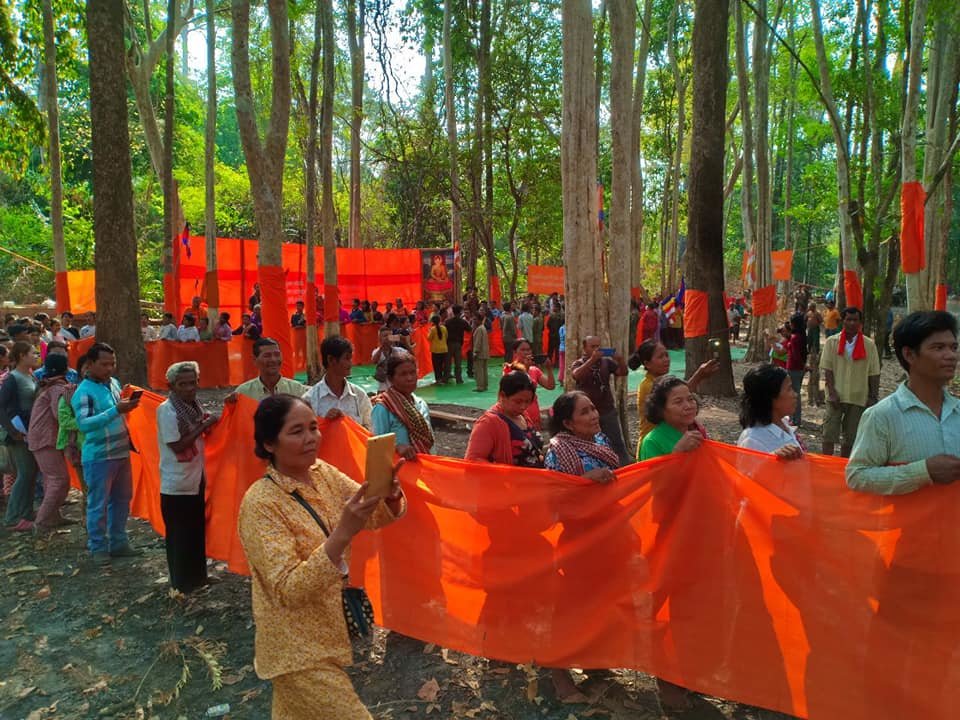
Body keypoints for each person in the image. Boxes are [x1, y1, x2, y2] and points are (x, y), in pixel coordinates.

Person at [239, 394, 404, 718]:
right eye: (296, 431)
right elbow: (287, 588)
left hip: (328, 634)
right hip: (295, 650)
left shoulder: (322, 472)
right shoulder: (260, 504)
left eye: (313, 427)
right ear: (269, 444)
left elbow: (367, 513)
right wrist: (342, 533)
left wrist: (390, 496)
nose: (311, 438)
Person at [542, 390, 619, 702]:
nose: (593, 415)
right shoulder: (557, 452)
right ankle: (558, 675)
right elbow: (552, 499)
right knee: (568, 608)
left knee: (597, 603)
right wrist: (588, 481)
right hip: (575, 540)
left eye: (593, 409)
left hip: (605, 536)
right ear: (568, 423)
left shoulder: (602, 443)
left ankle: (590, 660)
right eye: (584, 412)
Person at [847, 310, 960, 494]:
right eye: (939, 348)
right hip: (904, 524)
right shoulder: (882, 416)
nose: (951, 356)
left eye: (953, 347)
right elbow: (857, 476)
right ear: (909, 355)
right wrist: (923, 472)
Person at [72, 342, 142, 563]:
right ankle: (98, 547)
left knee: (121, 500)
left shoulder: (113, 383)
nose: (110, 368)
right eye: (104, 364)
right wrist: (116, 410)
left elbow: (119, 411)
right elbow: (84, 424)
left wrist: (126, 403)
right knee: (98, 503)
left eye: (112, 363)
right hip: (99, 457)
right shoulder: (83, 391)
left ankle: (119, 542)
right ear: (90, 364)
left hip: (121, 453)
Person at [157, 362, 218, 592]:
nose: (189, 388)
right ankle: (181, 583)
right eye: (183, 384)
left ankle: (199, 577)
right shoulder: (167, 410)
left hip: (195, 478)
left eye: (193, 383)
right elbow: (177, 444)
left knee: (195, 531)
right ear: (171, 385)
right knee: (179, 534)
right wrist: (204, 426)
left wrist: (206, 423)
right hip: (176, 483)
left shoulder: (193, 406)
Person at [628, 339, 718, 454]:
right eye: (660, 357)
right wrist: (699, 375)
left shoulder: (687, 434)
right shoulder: (648, 385)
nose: (666, 360)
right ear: (647, 363)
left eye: (667, 355)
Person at [820, 306, 880, 457]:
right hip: (836, 397)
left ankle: (843, 468)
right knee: (829, 434)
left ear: (860, 323)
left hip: (858, 397)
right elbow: (828, 370)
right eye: (848, 320)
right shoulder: (831, 342)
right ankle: (826, 466)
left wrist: (873, 396)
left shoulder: (869, 345)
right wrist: (832, 393)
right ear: (843, 322)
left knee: (850, 438)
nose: (852, 323)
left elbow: (874, 373)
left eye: (855, 320)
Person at [27, 353, 76, 532]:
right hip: (45, 439)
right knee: (59, 479)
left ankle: (53, 517)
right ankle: (41, 522)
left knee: (52, 479)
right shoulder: (57, 388)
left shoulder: (48, 385)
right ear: (66, 368)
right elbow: (60, 415)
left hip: (43, 438)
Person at [570, 335, 630, 465]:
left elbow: (623, 372)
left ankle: (624, 468)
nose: (596, 349)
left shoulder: (606, 362)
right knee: (590, 443)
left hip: (607, 410)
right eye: (593, 347)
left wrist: (620, 360)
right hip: (587, 413)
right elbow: (576, 375)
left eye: (598, 346)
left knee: (616, 442)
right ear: (585, 348)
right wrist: (592, 360)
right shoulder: (579, 363)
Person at [0, 342, 39, 531]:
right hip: (17, 434)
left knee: (31, 473)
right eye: (33, 352)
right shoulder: (12, 379)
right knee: (24, 473)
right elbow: (1, 406)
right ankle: (13, 517)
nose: (37, 355)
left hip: (29, 432)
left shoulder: (30, 375)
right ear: (22, 356)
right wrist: (12, 430)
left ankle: (26, 513)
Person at [465, 372, 543, 465]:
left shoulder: (523, 415)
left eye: (528, 401)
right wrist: (505, 473)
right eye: (518, 401)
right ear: (502, 395)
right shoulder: (488, 423)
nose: (523, 406)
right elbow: (473, 460)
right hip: (508, 479)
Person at [302, 336, 373, 429]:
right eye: (347, 358)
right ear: (331, 360)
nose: (351, 364)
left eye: (350, 358)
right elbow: (306, 436)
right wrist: (324, 423)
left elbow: (370, 431)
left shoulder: (359, 395)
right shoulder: (310, 399)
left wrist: (346, 422)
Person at [372, 353, 433, 460]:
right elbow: (377, 446)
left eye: (413, 373)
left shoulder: (421, 404)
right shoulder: (383, 407)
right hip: (398, 471)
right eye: (403, 374)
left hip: (423, 467)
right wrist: (396, 447)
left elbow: (430, 441)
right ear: (391, 379)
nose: (410, 378)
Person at [737, 364, 805, 459]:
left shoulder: (784, 424)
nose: (795, 394)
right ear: (771, 399)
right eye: (789, 389)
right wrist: (772, 459)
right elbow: (745, 473)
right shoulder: (752, 439)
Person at [639, 376, 708, 461]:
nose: (688, 406)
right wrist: (678, 452)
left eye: (690, 399)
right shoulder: (652, 442)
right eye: (678, 402)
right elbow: (654, 474)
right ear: (660, 409)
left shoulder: (696, 430)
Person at [503, 338, 555, 430]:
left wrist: (549, 369)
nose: (526, 352)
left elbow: (550, 386)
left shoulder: (534, 370)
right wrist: (526, 368)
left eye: (528, 349)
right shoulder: (509, 369)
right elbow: (515, 388)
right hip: (517, 416)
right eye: (523, 350)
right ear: (515, 352)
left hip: (534, 415)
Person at [236, 337, 309, 401]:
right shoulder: (244, 393)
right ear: (255, 360)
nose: (273, 359)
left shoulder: (297, 390)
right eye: (267, 356)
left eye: (277, 355)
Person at [786, 313, 808, 426]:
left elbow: (795, 355)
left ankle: (795, 419)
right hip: (798, 368)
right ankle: (794, 417)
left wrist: (802, 366)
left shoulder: (795, 338)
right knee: (795, 393)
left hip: (794, 368)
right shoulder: (801, 336)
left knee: (794, 394)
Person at [444, 305, 471, 384]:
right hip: (458, 344)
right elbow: (469, 329)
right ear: (460, 313)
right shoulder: (462, 322)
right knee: (458, 362)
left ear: (453, 312)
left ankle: (446, 378)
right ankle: (459, 379)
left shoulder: (448, 321)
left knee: (448, 362)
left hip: (449, 343)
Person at [471, 310, 490, 392]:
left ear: (479, 320)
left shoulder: (479, 329)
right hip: (485, 352)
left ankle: (480, 386)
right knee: (484, 370)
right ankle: (484, 385)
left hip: (480, 353)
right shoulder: (483, 328)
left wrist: (475, 352)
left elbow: (478, 342)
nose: (474, 321)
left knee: (479, 370)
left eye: (475, 319)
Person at [427, 314, 449, 384]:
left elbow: (429, 338)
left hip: (435, 350)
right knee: (444, 365)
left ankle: (438, 380)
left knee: (437, 366)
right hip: (444, 349)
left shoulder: (433, 329)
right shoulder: (444, 328)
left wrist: (429, 331)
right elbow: (446, 337)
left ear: (432, 321)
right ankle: (445, 379)